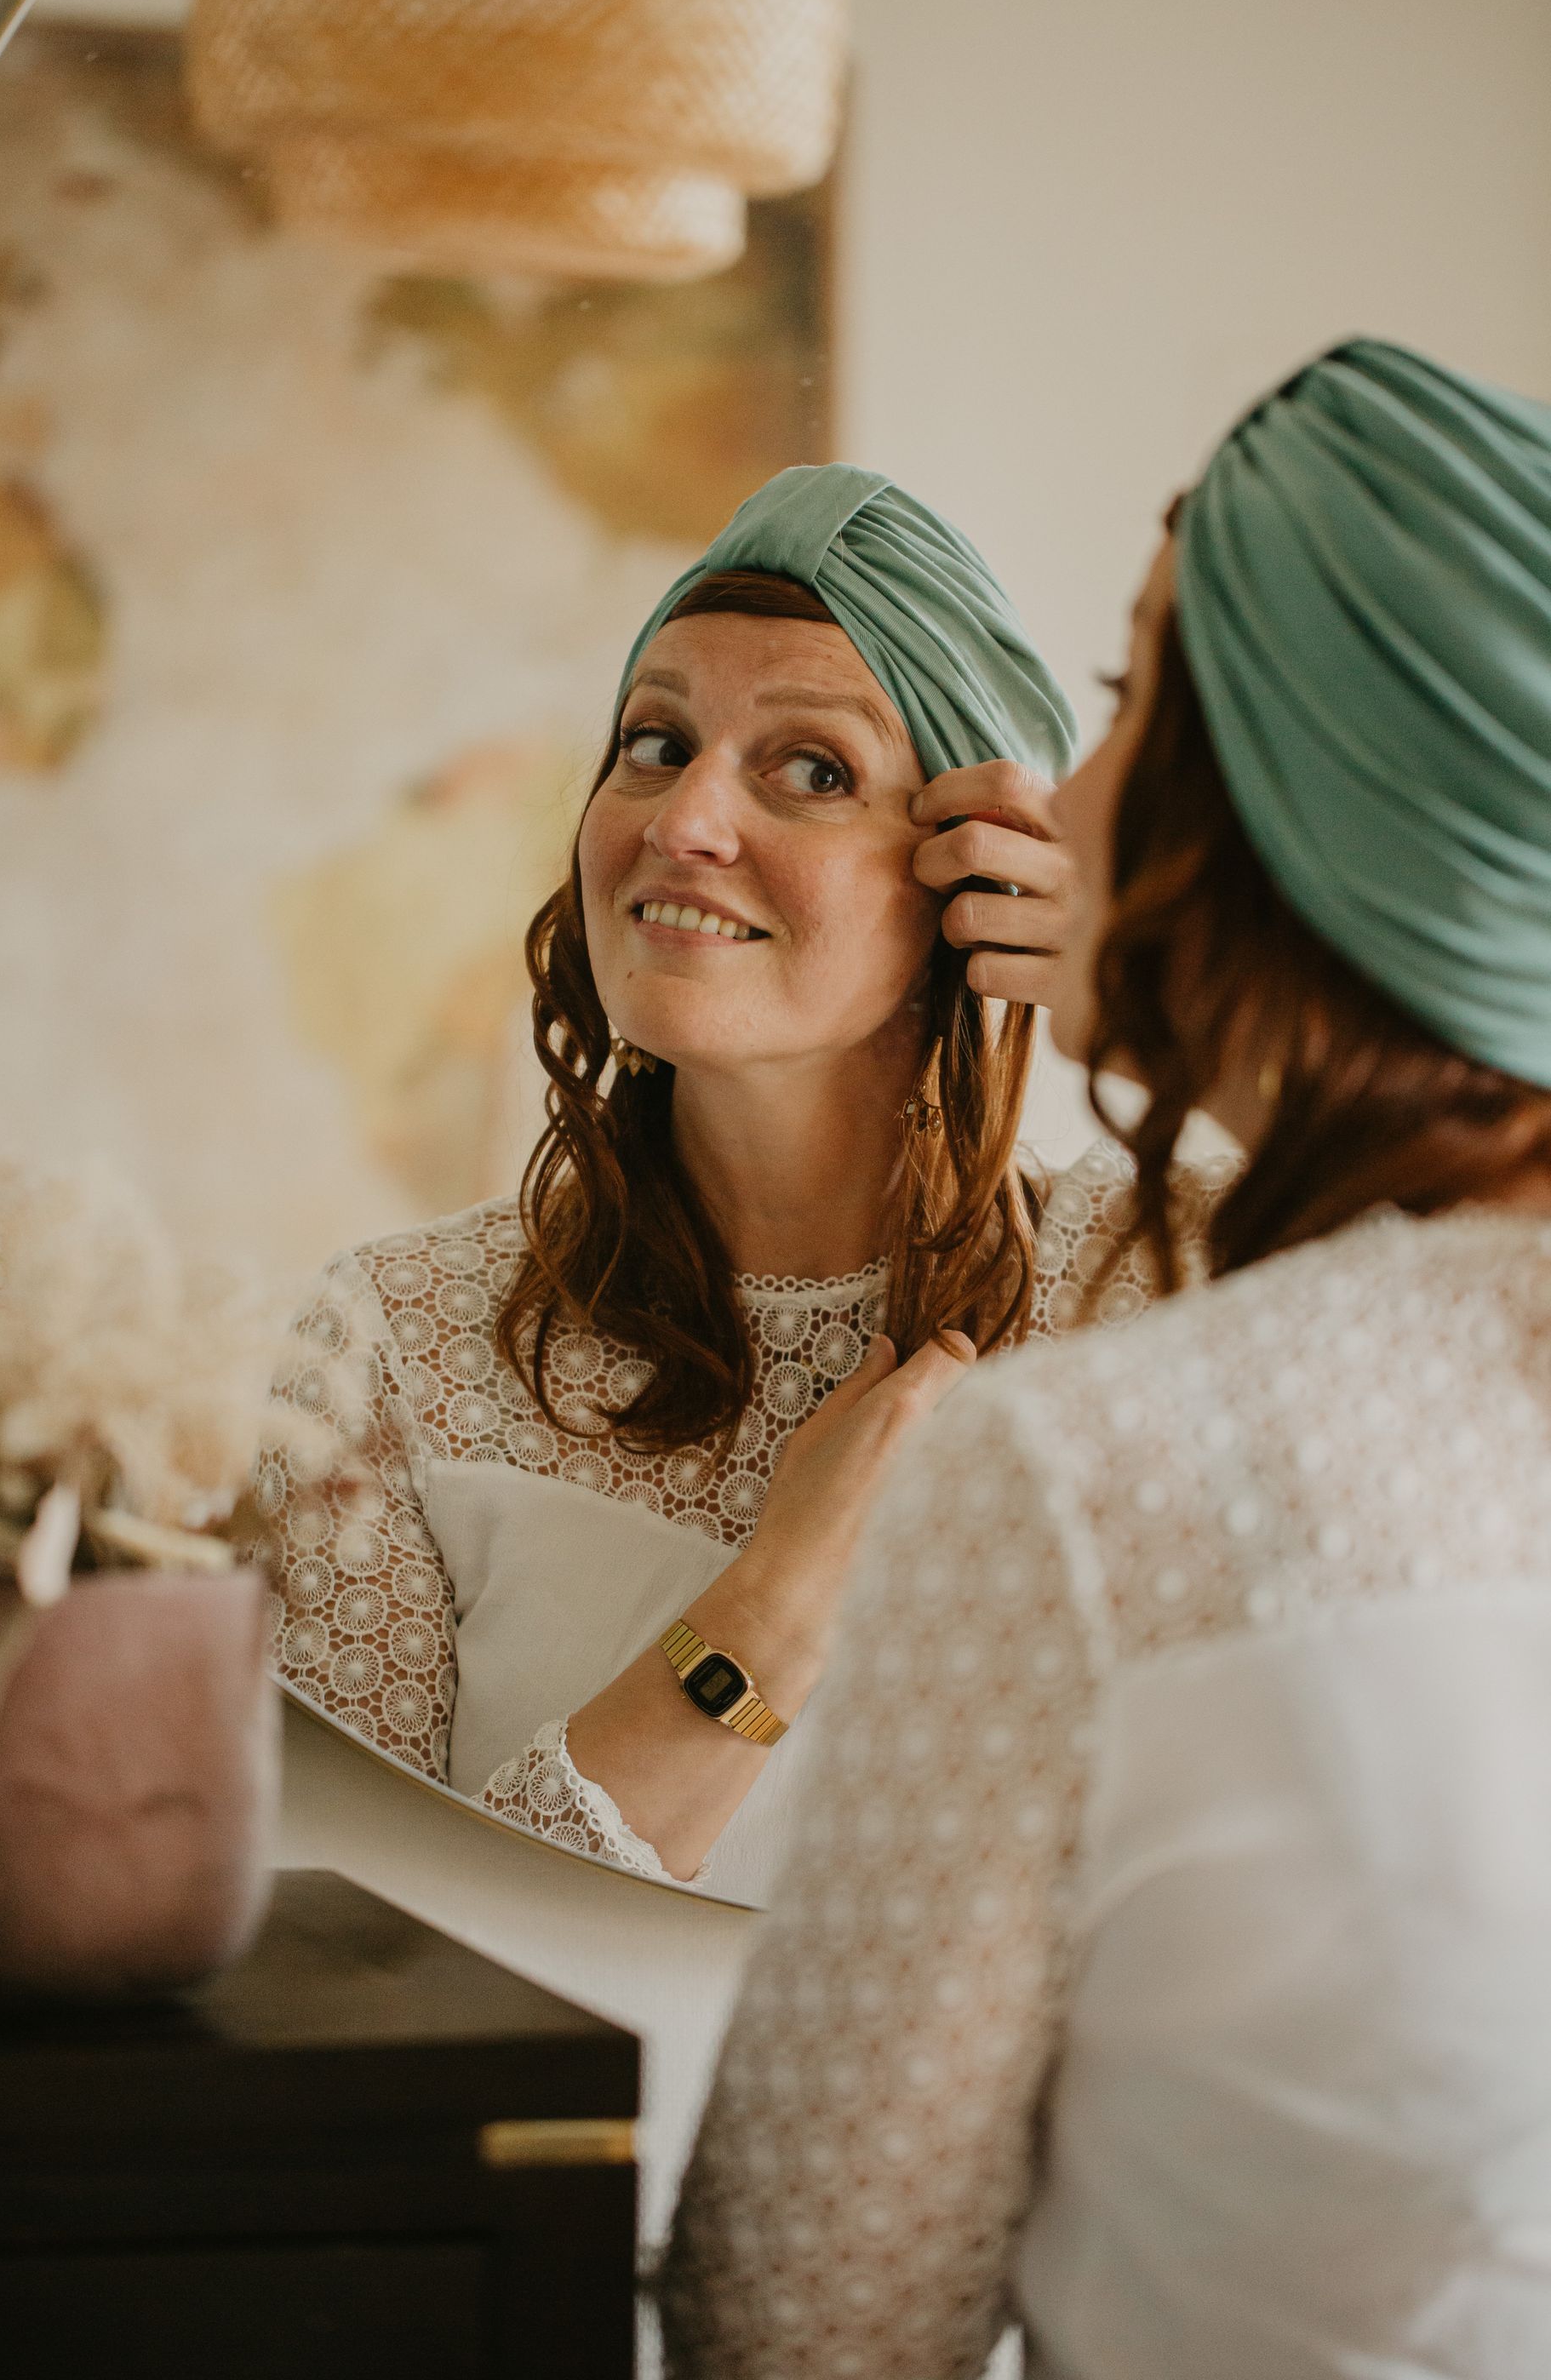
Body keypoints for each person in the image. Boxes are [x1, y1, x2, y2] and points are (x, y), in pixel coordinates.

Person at [661, 339, 1551, 2371]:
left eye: (1135, 695)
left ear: (1301, 795)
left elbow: (797, 2330)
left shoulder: (1106, 1460)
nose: (1049, 801)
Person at [259, 464, 1222, 1902]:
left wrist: (1160, 999)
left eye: (812, 769)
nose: (683, 819)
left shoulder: (1180, 1283)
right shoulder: (386, 1347)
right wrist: (773, 1611)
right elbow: (369, 1964)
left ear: (974, 876)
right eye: (653, 743)